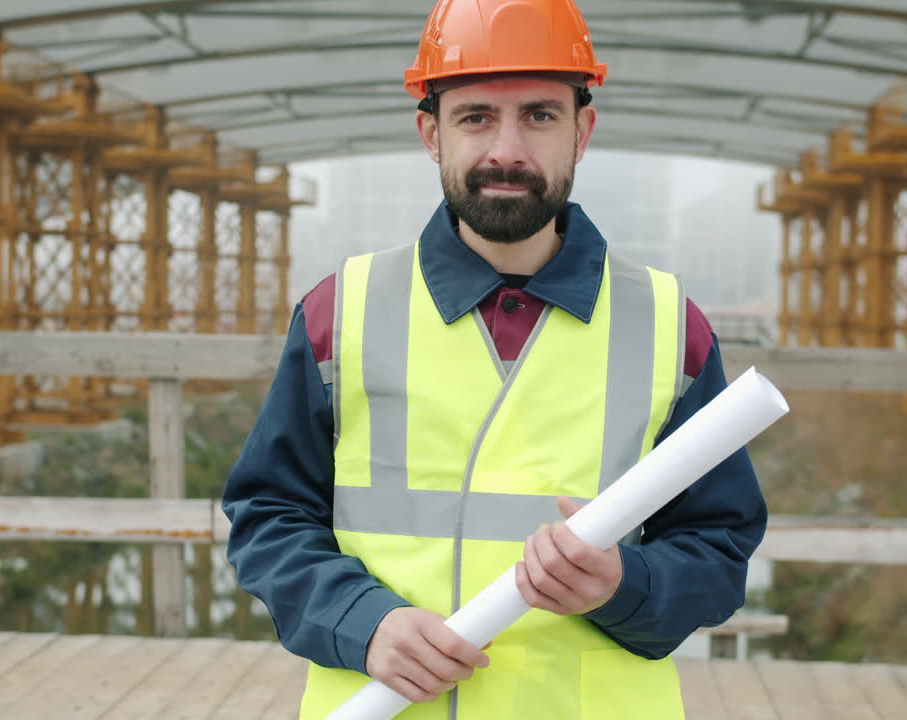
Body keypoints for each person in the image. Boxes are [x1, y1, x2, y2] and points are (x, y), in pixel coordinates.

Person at [221, 1, 766, 717]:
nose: (506, 150)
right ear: (431, 132)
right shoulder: (339, 314)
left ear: (583, 131)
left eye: (539, 115)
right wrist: (363, 621)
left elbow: (718, 548)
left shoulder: (671, 326)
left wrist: (623, 584)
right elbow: (269, 516)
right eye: (476, 116)